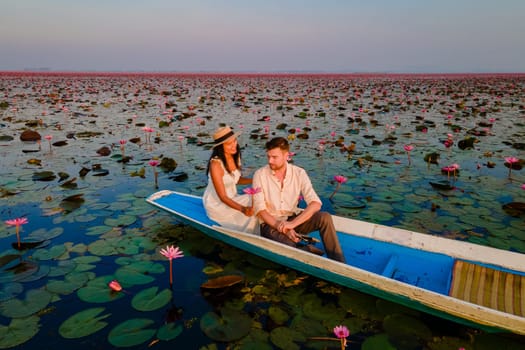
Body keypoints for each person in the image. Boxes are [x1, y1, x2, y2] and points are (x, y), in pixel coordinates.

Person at [252, 137, 346, 262]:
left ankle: (338, 261)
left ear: (286, 156)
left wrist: (292, 224)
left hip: (292, 219)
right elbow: (260, 210)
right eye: (268, 156)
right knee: (289, 246)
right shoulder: (260, 175)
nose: (270, 161)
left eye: (274, 157)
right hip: (270, 224)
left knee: (325, 217)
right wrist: (284, 229)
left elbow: (316, 203)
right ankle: (306, 249)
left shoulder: (299, 173)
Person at [203, 126, 259, 233]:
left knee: (258, 197)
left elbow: (236, 180)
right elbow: (222, 197)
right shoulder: (216, 164)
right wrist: (243, 209)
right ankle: (254, 231)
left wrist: (254, 180)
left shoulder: (235, 156)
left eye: (234, 141)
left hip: (232, 198)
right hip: (218, 204)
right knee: (253, 199)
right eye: (229, 144)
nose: (234, 146)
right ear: (220, 147)